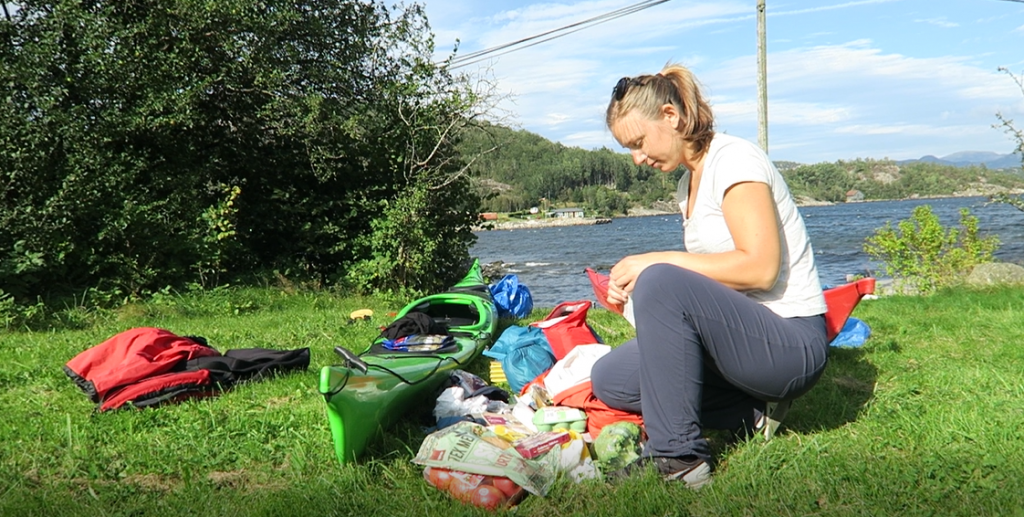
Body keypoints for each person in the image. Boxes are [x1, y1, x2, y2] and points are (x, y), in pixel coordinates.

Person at [590, 63, 829, 488]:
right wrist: (637, 301)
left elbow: (760, 267)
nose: (637, 158)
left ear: (670, 116)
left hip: (790, 341)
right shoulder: (688, 184)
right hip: (745, 338)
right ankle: (753, 413)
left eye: (639, 142)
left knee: (661, 278)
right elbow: (708, 284)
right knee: (610, 380)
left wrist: (655, 267)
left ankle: (679, 458)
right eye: (629, 148)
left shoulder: (733, 160)